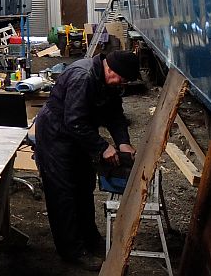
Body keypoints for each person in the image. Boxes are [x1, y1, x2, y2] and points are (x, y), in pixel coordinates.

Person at [34, 50, 140, 272]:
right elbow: (74, 121)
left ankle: (90, 238)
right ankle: (72, 251)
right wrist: (103, 147)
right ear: (109, 68)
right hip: (56, 134)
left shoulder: (110, 81)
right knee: (63, 193)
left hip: (79, 134)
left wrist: (122, 142)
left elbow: (115, 115)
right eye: (121, 78)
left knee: (84, 185)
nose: (121, 83)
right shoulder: (82, 77)